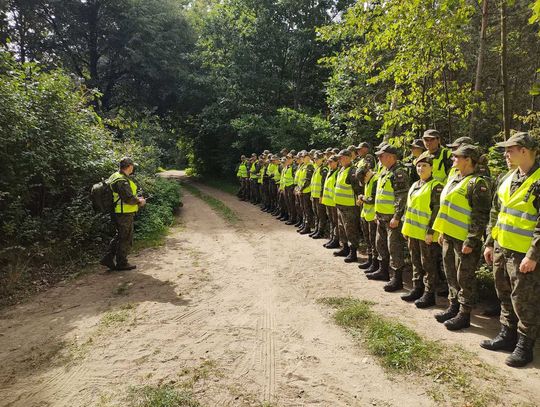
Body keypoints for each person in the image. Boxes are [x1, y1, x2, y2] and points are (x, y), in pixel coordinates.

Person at [481, 132, 540, 367]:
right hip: (501, 247)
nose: (506, 154)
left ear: (524, 151)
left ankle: (525, 347)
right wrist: (489, 242)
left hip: (523, 254)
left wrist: (533, 255)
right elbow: (495, 213)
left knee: (524, 300)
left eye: (510, 149)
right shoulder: (506, 178)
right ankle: (507, 335)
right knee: (504, 293)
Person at [432, 144, 491, 330]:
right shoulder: (455, 178)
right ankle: (454, 306)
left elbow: (481, 215)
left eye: (457, 156)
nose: (453, 159)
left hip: (465, 240)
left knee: (464, 277)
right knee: (451, 274)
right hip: (449, 235)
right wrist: (442, 231)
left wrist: (472, 240)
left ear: (468, 159)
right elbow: (446, 208)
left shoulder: (477, 182)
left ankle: (464, 314)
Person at [400, 155, 443, 308]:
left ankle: (429, 294)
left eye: (424, 165)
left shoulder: (436, 186)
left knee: (428, 265)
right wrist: (405, 228)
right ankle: (417, 288)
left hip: (426, 235)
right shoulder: (414, 185)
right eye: (419, 166)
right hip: (412, 232)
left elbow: (437, 211)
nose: (421, 168)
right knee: (416, 263)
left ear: (431, 168)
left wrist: (431, 231)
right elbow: (408, 208)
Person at [366, 144, 410, 292]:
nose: (379, 158)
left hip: (392, 218)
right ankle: (383, 271)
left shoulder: (399, 173)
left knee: (394, 247)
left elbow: (401, 196)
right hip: (381, 216)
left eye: (381, 155)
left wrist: (397, 216)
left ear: (391, 156)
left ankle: (397, 280)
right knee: (381, 244)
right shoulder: (385, 172)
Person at [100, 157, 146, 271]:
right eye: (132, 166)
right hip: (123, 213)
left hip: (118, 211)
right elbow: (128, 198)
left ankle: (108, 258)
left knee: (120, 235)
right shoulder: (121, 180)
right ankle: (122, 263)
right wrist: (140, 201)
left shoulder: (115, 176)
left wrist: (136, 199)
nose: (133, 168)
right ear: (129, 166)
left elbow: (123, 196)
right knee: (125, 237)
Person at [334, 149, 363, 263]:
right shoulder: (342, 169)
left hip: (350, 206)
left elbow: (358, 189)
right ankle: (345, 248)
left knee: (350, 229)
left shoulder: (352, 171)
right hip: (341, 205)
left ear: (347, 157)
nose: (340, 160)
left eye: (341, 158)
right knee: (342, 228)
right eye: (339, 158)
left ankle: (353, 252)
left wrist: (359, 201)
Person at [357, 166, 379, 272]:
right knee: (368, 240)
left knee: (373, 241)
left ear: (366, 174)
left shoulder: (375, 180)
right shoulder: (369, 180)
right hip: (366, 214)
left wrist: (362, 198)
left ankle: (375, 263)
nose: (363, 182)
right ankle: (370, 260)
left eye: (363, 179)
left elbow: (372, 199)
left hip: (372, 216)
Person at [321, 155, 340, 249]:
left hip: (334, 202)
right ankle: (332, 238)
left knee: (336, 222)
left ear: (337, 162)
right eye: (328, 162)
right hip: (328, 201)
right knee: (332, 222)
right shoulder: (330, 172)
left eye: (331, 162)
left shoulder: (337, 173)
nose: (329, 164)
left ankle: (336, 240)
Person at [310, 151, 329, 239]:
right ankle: (317, 229)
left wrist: (321, 195)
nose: (315, 160)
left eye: (317, 159)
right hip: (314, 195)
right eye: (314, 159)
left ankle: (321, 231)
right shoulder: (317, 168)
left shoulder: (324, 169)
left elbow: (323, 184)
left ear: (322, 159)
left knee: (321, 215)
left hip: (319, 196)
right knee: (316, 214)